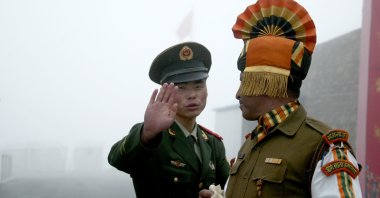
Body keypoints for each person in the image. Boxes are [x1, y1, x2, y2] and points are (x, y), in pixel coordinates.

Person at [200, 0, 362, 197]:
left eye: (244, 81)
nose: (237, 93)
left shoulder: (326, 148)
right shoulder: (250, 144)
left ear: (266, 81)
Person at [108, 42, 230, 198]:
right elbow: (117, 159)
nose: (192, 94)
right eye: (181, 87)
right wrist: (147, 133)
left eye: (199, 85)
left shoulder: (213, 143)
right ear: (165, 91)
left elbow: (230, 187)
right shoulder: (152, 136)